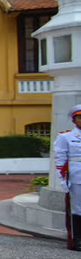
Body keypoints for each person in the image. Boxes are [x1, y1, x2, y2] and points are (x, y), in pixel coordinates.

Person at [55, 104, 81, 251]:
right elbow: (60, 158)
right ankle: (77, 239)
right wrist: (63, 179)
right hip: (77, 176)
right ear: (74, 120)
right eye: (79, 117)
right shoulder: (66, 137)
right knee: (78, 208)